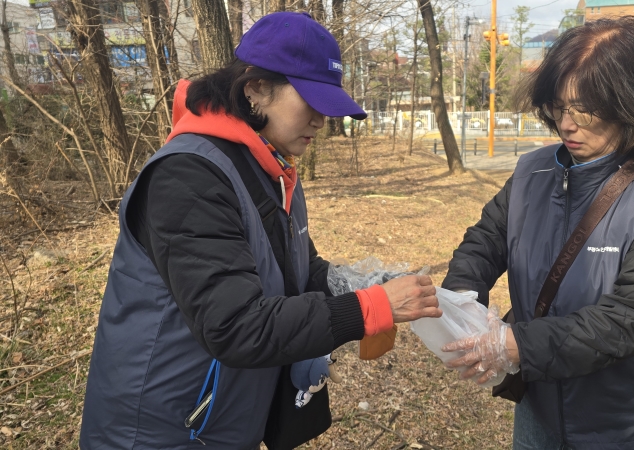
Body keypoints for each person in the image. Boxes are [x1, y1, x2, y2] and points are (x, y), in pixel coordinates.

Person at [79, 12, 441, 449]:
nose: (322, 120)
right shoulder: (189, 177)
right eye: (311, 101)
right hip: (163, 430)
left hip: (225, 421)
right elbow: (235, 325)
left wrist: (362, 284)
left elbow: (299, 270)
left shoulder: (272, 166)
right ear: (255, 89)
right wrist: (369, 307)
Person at [441, 16, 634, 450]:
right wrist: (464, 298)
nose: (567, 123)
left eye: (585, 108)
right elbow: (485, 240)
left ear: (632, 101)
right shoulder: (533, 171)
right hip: (538, 401)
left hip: (619, 415)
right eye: (560, 105)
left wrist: (515, 343)